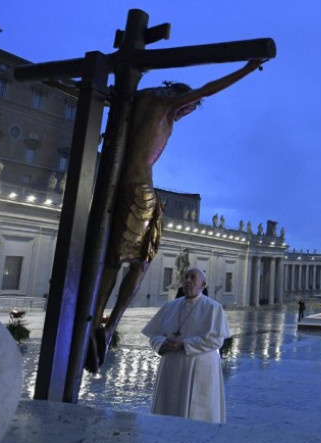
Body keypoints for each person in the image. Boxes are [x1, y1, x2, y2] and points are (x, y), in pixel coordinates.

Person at [87, 58, 267, 372]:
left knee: (116, 257)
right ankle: (107, 323)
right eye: (190, 109)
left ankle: (96, 316)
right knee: (137, 261)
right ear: (184, 101)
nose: (186, 114)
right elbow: (211, 88)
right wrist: (248, 67)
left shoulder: (137, 100)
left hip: (115, 184)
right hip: (139, 188)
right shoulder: (167, 104)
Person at [142, 268, 232, 423]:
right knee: (167, 410)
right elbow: (154, 334)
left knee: (196, 413)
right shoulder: (170, 307)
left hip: (198, 368)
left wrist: (184, 345)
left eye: (193, 277)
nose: (188, 280)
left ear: (202, 285)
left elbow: (216, 340)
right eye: (186, 277)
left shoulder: (213, 308)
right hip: (169, 367)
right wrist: (161, 344)